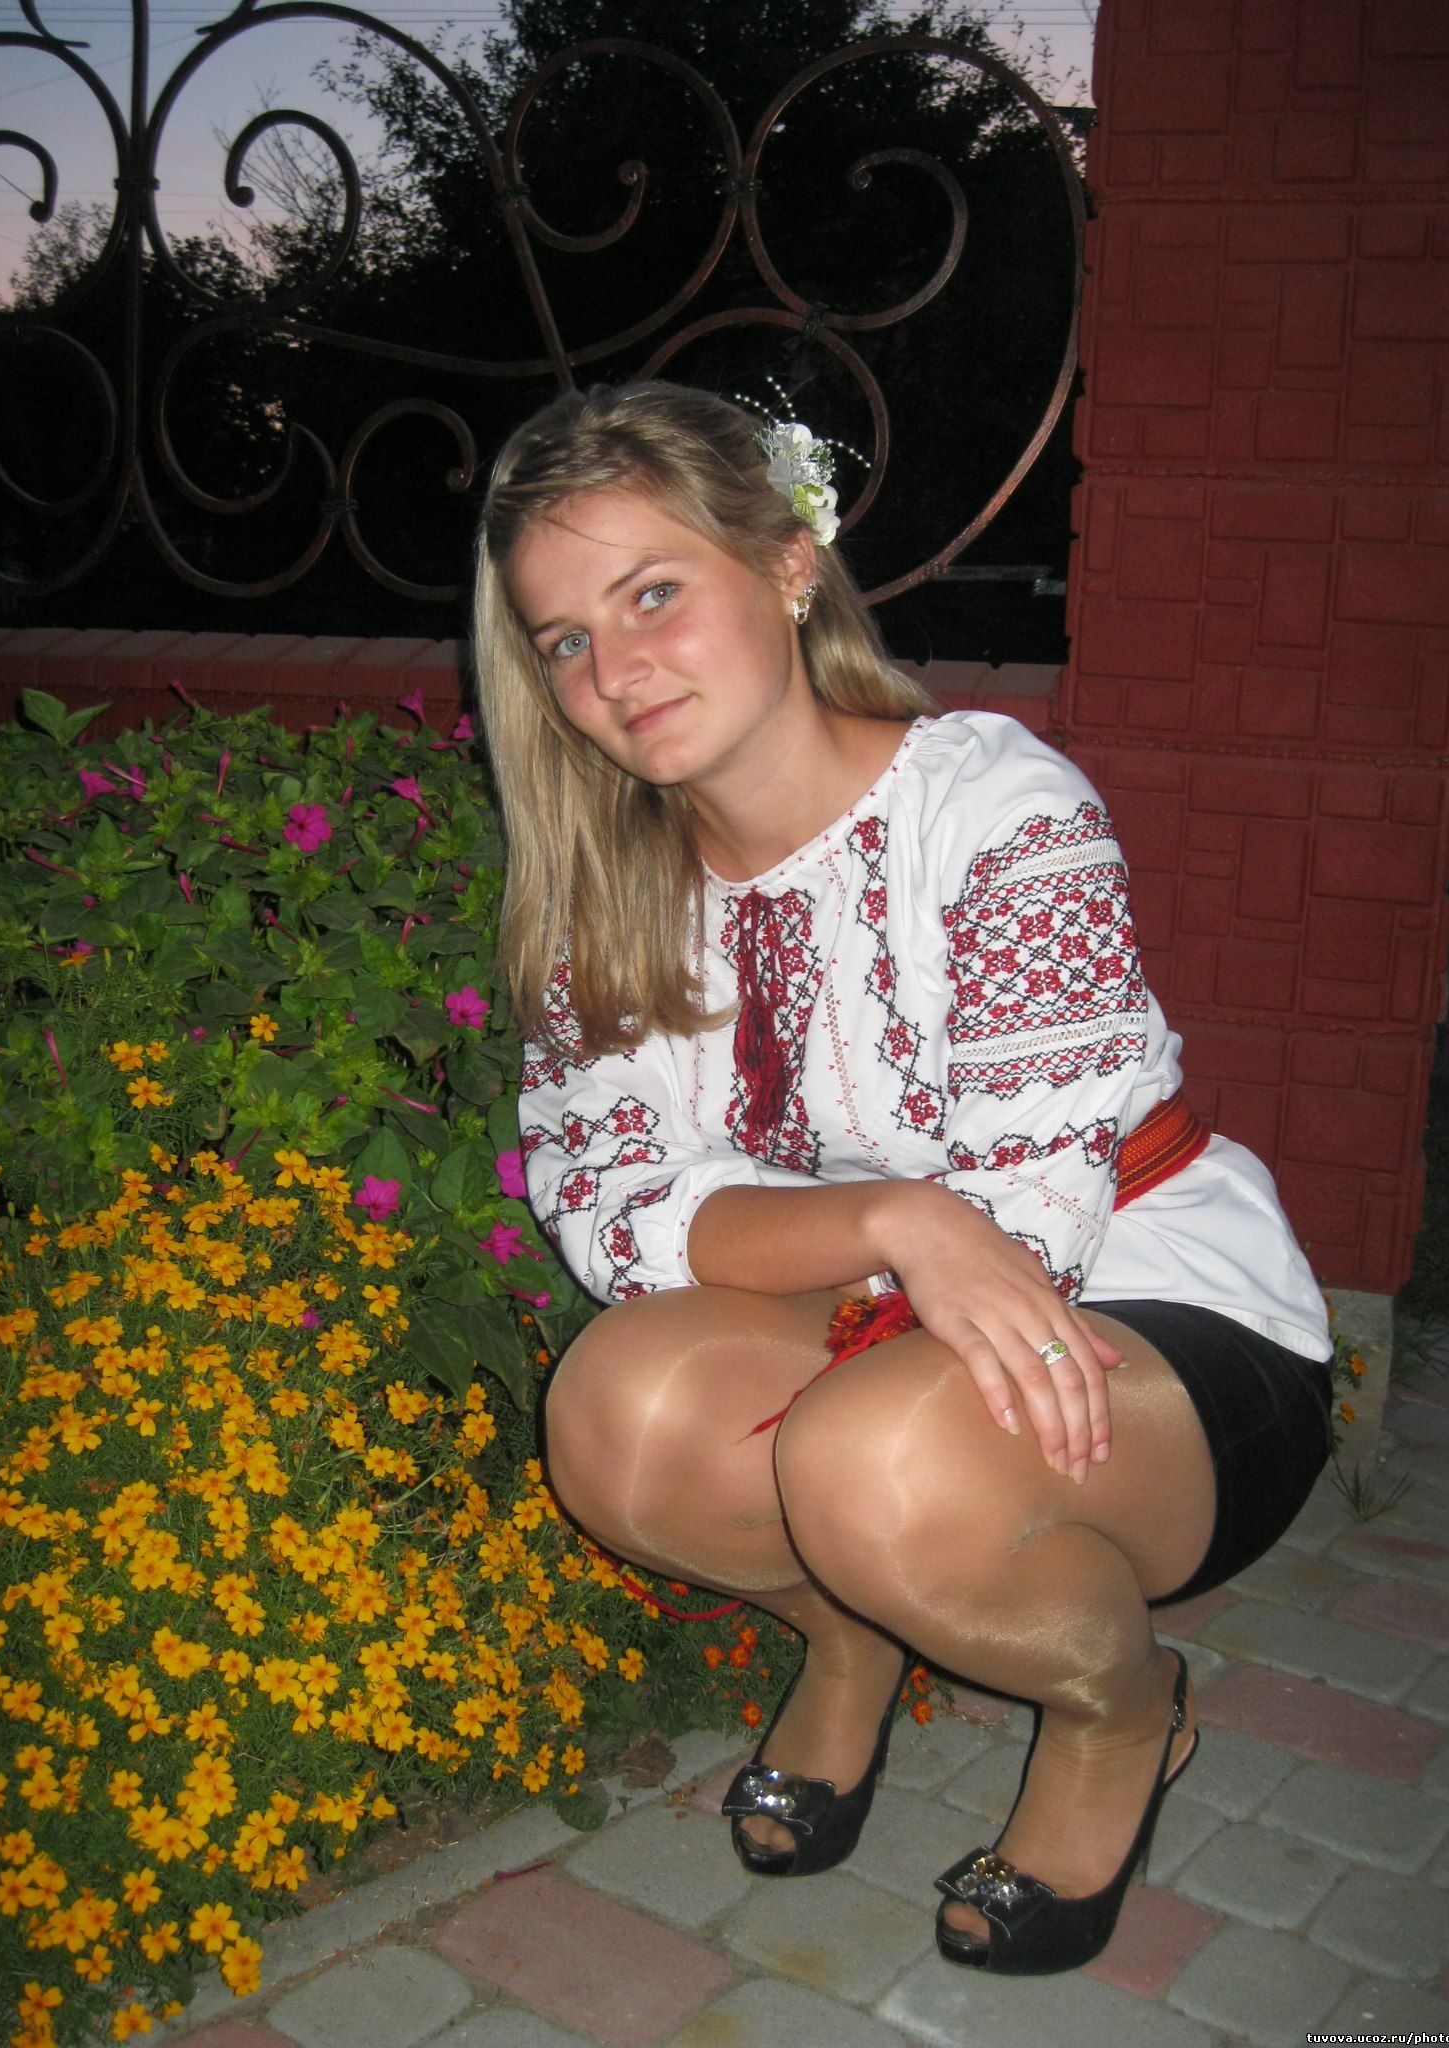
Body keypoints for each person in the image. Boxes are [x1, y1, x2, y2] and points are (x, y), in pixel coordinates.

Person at [472, 380, 1333, 1977]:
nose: (616, 669)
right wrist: (888, 1217)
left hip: (1163, 1318)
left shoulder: (996, 810)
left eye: (652, 593)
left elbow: (1023, 1226)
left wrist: (898, 1237)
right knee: (616, 1415)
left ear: (787, 563)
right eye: (565, 639)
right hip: (884, 1312)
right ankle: (850, 1633)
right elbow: (607, 1203)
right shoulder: (609, 896)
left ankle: (1120, 1713)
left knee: (871, 1459)